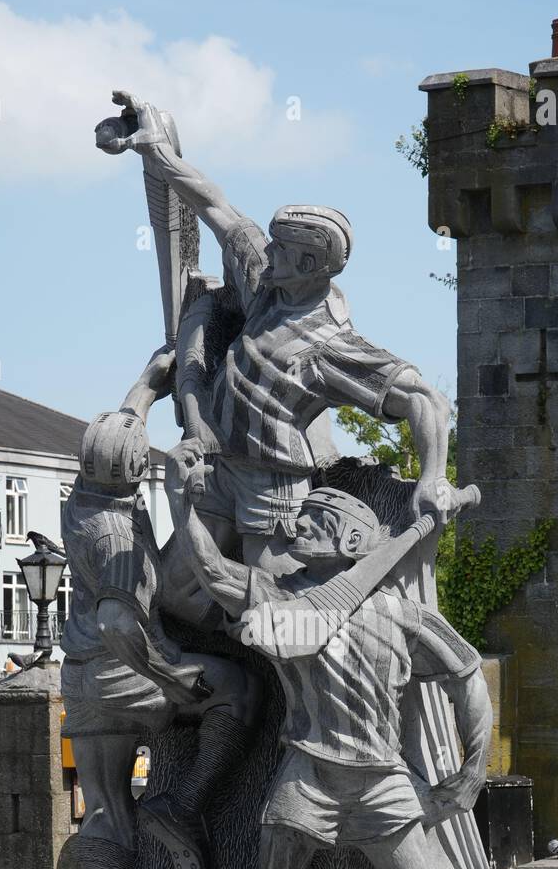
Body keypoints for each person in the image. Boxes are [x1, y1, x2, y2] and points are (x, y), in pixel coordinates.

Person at [166, 442, 493, 869]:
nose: (293, 528)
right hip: (308, 774)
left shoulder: (402, 615)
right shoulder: (281, 599)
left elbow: (467, 672)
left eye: (311, 520)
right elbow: (209, 569)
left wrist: (473, 766)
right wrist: (183, 499)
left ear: (351, 538)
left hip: (381, 780)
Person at [96, 93, 456, 588]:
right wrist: (156, 152)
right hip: (219, 465)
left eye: (279, 247)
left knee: (277, 598)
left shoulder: (331, 344)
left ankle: (352, 631)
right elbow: (214, 206)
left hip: (273, 486)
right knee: (176, 589)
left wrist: (434, 476)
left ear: (309, 265)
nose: (267, 251)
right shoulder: (267, 279)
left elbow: (425, 399)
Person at [60, 347, 261, 869]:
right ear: (137, 472)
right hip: (128, 673)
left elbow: (120, 428)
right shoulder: (116, 536)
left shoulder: (83, 499)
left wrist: (150, 382)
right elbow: (122, 619)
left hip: (81, 685)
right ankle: (185, 803)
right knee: (232, 689)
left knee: (105, 809)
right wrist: (167, 672)